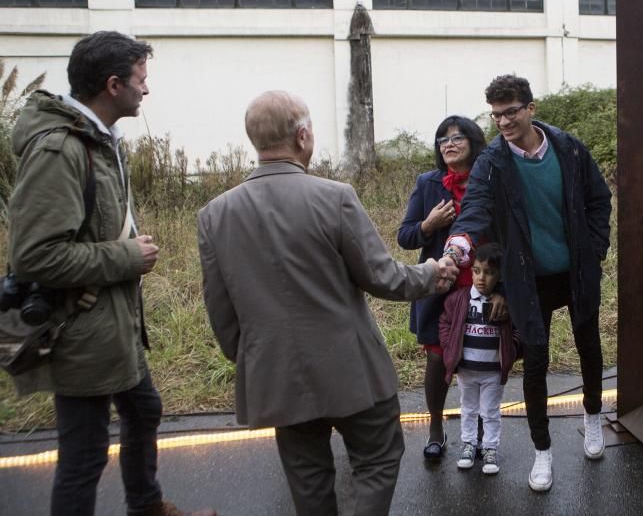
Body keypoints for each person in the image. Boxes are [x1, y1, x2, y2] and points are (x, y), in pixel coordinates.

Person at [197, 91, 458, 516]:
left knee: (308, 480)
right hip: (352, 368)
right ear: (302, 136)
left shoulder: (214, 213)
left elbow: (220, 310)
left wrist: (252, 356)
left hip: (276, 372)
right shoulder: (334, 196)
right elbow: (383, 276)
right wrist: (432, 272)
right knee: (377, 459)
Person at [5, 31, 214, 516]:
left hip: (113, 327)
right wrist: (125, 257)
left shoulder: (100, 141)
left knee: (144, 410)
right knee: (84, 455)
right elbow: (35, 256)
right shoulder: (60, 150)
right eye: (141, 80)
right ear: (114, 84)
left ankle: (146, 506)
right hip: (81, 332)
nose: (147, 90)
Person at [441, 74, 612, 492]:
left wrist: (594, 249)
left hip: (574, 271)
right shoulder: (493, 162)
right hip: (527, 277)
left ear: (530, 108)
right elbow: (475, 211)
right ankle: (543, 452)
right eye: (496, 115)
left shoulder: (568, 148)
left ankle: (592, 417)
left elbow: (598, 199)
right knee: (535, 362)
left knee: (590, 346)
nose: (502, 122)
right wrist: (455, 250)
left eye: (511, 112)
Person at [396, 114, 504, 460]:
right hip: (440, 289)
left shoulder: (489, 181)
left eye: (457, 138)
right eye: (443, 140)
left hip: (482, 287)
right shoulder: (429, 183)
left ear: (473, 142)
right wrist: (428, 225)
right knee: (437, 361)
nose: (449, 145)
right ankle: (436, 428)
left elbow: (505, 236)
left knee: (484, 359)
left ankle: (484, 434)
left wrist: (504, 288)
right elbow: (406, 236)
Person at [438, 243, 519, 475]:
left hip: (493, 370)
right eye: (476, 271)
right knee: (468, 408)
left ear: (499, 275)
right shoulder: (459, 299)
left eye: (489, 272)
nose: (481, 278)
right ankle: (468, 445)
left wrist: (511, 349)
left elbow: (517, 328)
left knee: (491, 411)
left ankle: (490, 448)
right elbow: (445, 322)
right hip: (466, 370)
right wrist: (448, 347)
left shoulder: (504, 303)